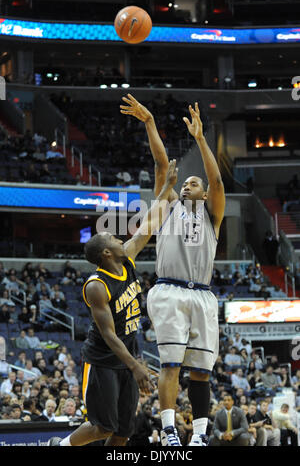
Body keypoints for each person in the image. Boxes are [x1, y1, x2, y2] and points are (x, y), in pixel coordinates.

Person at [48, 160, 178, 447]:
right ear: (106, 252)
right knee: (103, 427)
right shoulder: (96, 285)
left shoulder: (127, 259)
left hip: (128, 353)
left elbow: (150, 223)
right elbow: (108, 335)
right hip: (103, 360)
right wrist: (135, 366)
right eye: (113, 238)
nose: (121, 238)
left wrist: (167, 187)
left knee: (123, 430)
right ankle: (57, 446)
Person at [120, 94, 225, 447]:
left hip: (203, 296)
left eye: (193, 183)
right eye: (185, 183)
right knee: (170, 365)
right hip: (170, 290)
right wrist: (150, 122)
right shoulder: (167, 208)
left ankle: (198, 435)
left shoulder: (213, 215)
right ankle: (168, 431)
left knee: (201, 372)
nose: (186, 185)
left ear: (204, 193)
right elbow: (162, 165)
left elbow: (218, 181)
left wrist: (200, 139)